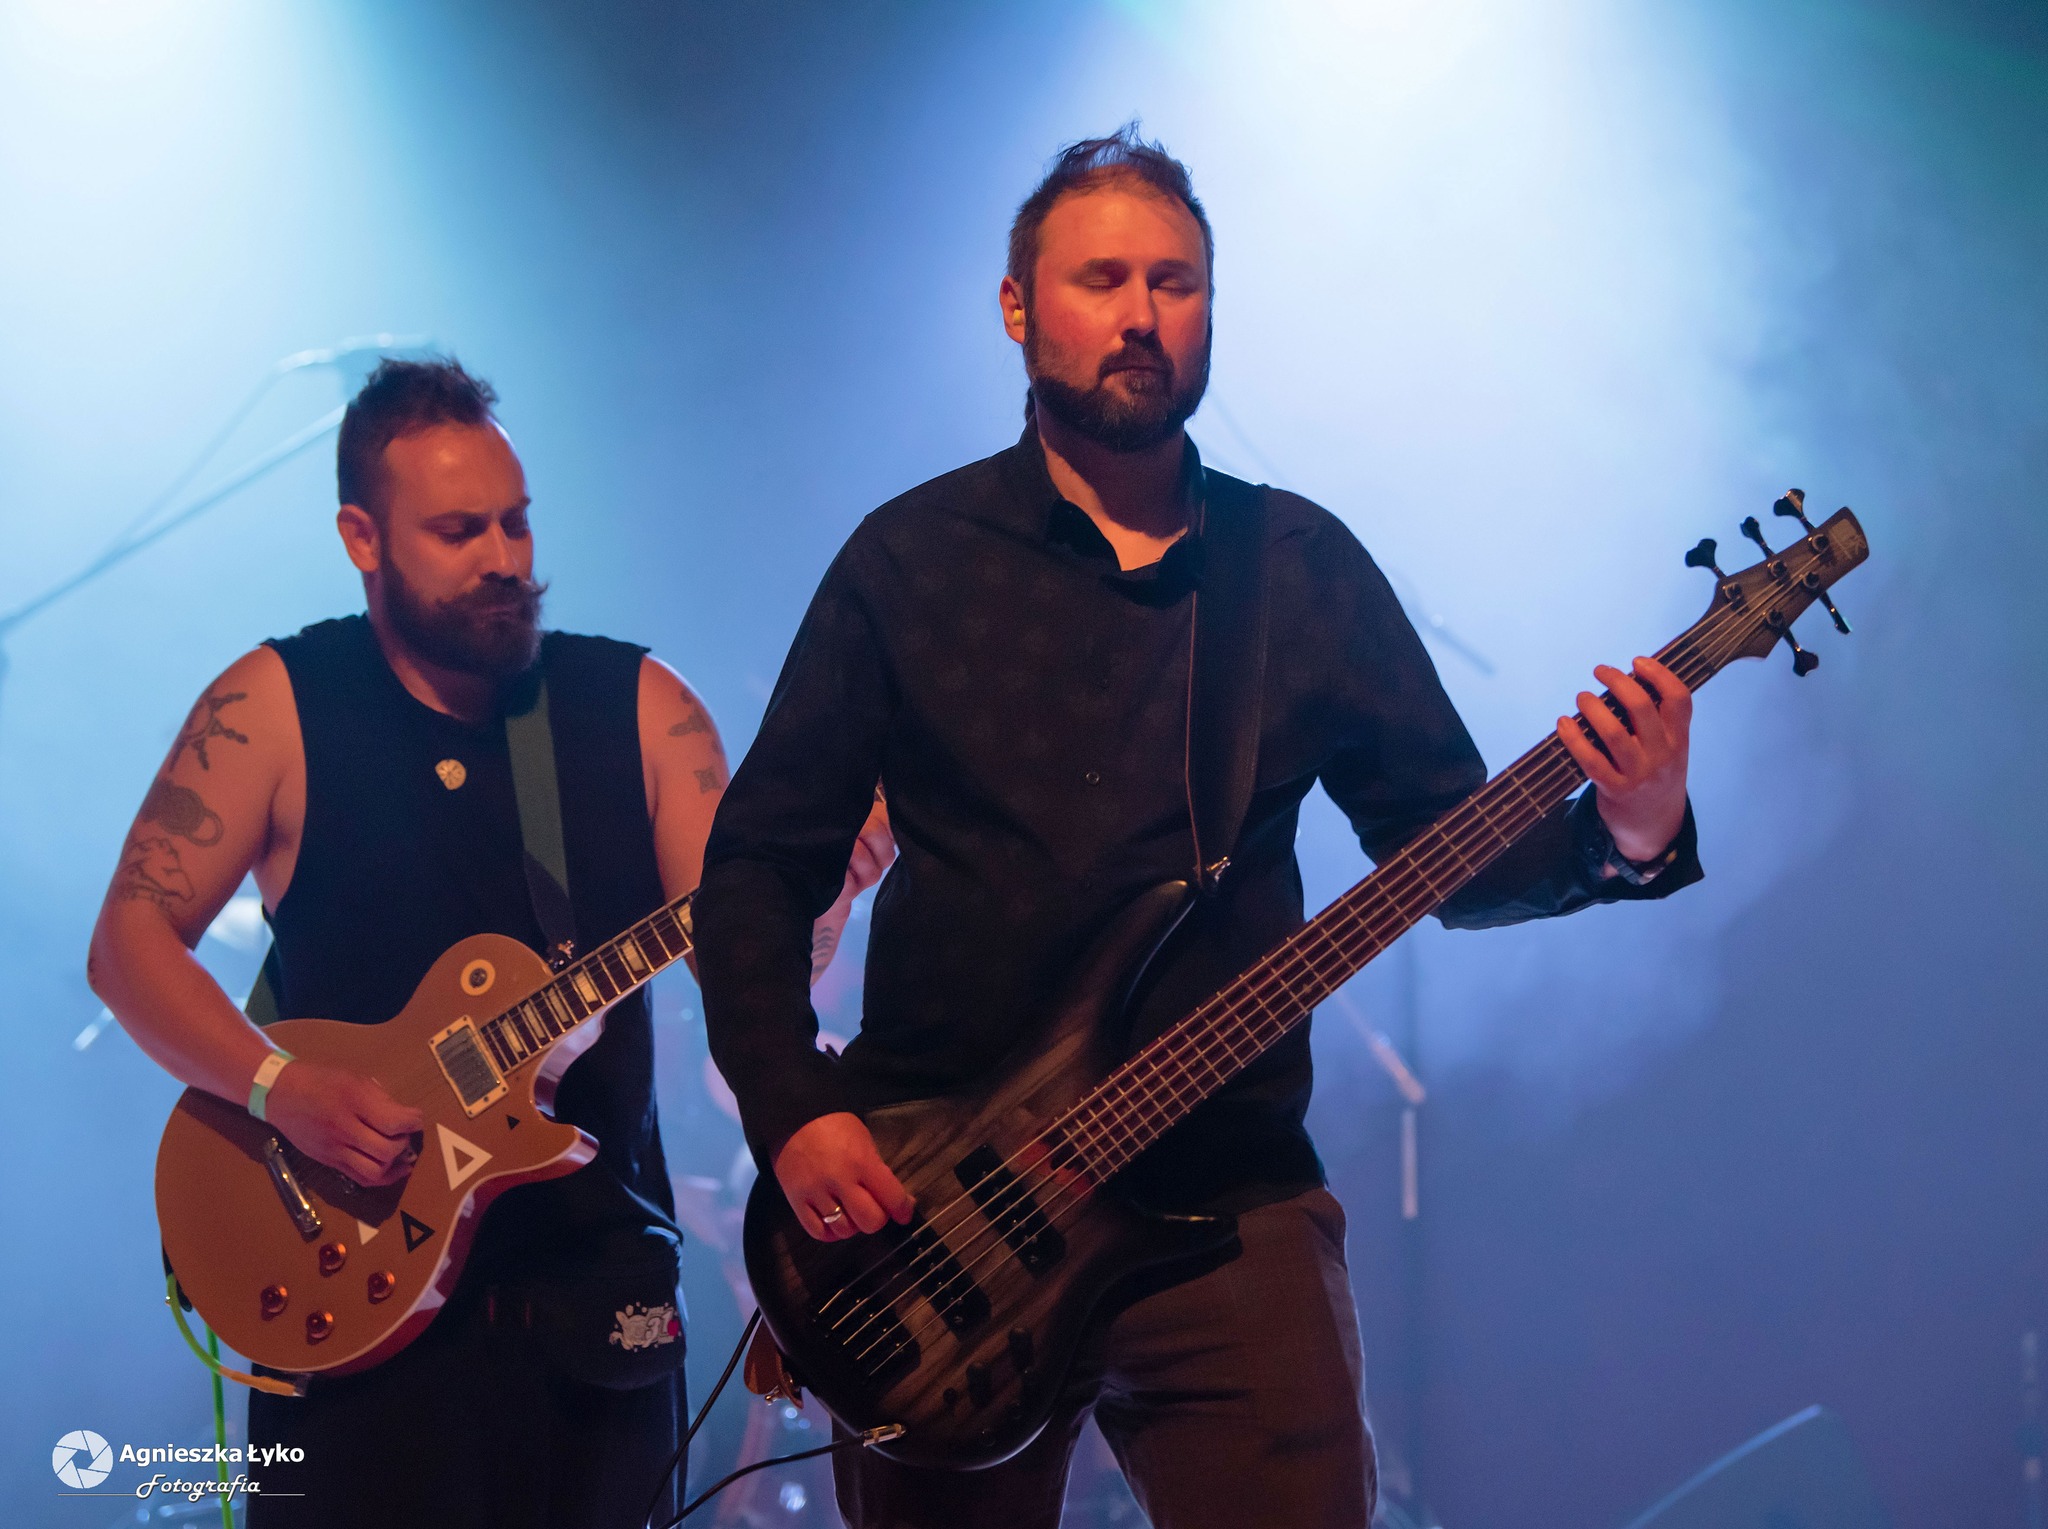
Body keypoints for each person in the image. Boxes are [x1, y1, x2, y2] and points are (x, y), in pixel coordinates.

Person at [692, 127, 1701, 1529]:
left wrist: (1629, 827)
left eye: (1175, 283)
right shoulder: (909, 562)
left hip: (1228, 1204)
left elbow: (1447, 850)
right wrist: (791, 1108)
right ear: (1017, 307)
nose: (1141, 315)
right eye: (1101, 279)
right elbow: (757, 865)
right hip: (940, 1220)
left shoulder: (1295, 565)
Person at [87, 358, 891, 1529]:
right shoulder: (275, 704)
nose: (504, 557)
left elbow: (747, 969)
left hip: (595, 1309)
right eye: (459, 530)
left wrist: (828, 891)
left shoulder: (637, 703)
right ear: (362, 537)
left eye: (516, 521)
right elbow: (127, 944)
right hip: (348, 1307)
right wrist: (278, 1086)